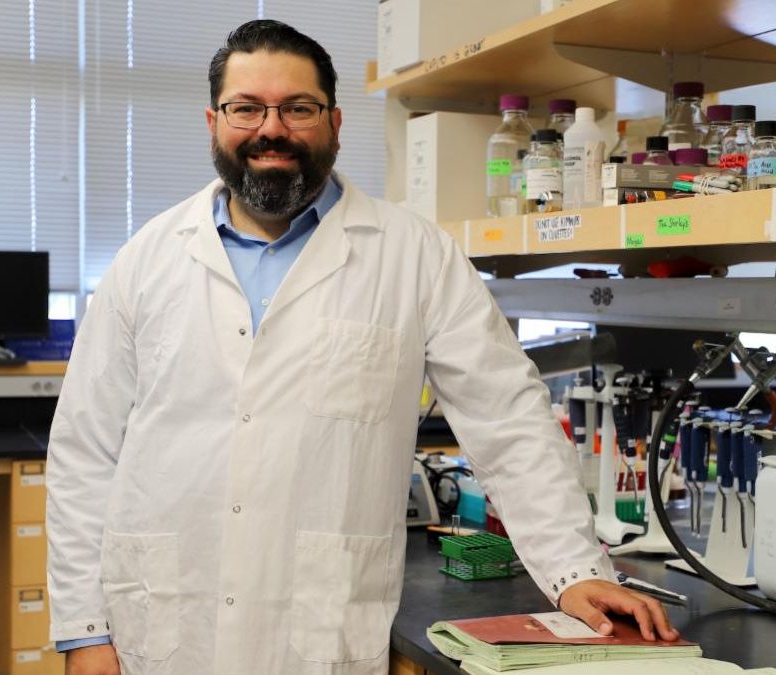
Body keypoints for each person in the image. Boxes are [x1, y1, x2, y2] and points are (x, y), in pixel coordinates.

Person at [46, 19, 676, 675]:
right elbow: (85, 451)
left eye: (298, 108)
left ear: (336, 122)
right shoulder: (146, 260)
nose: (272, 129)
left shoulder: (414, 254)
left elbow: (507, 417)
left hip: (320, 634)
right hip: (164, 629)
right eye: (247, 108)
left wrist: (574, 569)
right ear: (213, 121)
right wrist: (86, 630)